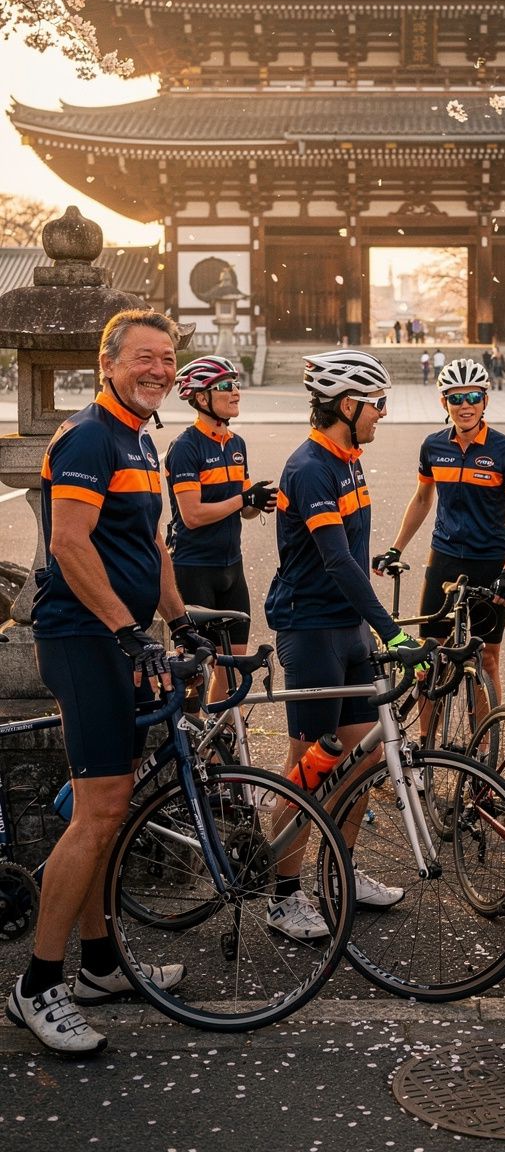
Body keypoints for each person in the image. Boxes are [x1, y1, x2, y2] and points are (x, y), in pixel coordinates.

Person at [7, 310, 212, 1057]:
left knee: (110, 806)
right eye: (144, 359)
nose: (159, 370)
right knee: (98, 813)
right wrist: (128, 630)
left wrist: (178, 620)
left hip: (119, 637)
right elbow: (66, 542)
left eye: (168, 359)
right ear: (108, 362)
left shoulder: (138, 436)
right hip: (84, 639)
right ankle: (37, 983)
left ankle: (97, 966)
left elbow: (149, 541)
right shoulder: (90, 435)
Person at [265, 349, 427, 940]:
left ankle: (342, 869)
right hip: (310, 630)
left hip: (348, 629)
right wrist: (394, 630)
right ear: (347, 404)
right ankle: (283, 896)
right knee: (307, 766)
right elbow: (336, 560)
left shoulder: (349, 457)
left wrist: (373, 627)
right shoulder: (310, 467)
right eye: (376, 404)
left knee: (361, 760)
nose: (382, 414)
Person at [373, 356, 505, 711]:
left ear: (485, 400)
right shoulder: (433, 447)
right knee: (431, 661)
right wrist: (396, 549)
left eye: (473, 397)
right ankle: (427, 758)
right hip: (443, 559)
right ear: (444, 402)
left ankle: (484, 750)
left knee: (487, 657)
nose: (465, 406)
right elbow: (422, 499)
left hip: (490, 562)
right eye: (456, 398)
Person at [166, 355, 276, 703]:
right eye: (226, 387)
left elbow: (241, 511)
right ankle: (188, 745)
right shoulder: (185, 447)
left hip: (232, 567)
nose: (236, 392)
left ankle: (216, 754)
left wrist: (255, 503)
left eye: (236, 384)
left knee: (233, 667)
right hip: (194, 567)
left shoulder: (236, 444)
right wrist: (243, 496)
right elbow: (192, 515)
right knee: (195, 673)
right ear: (201, 398)